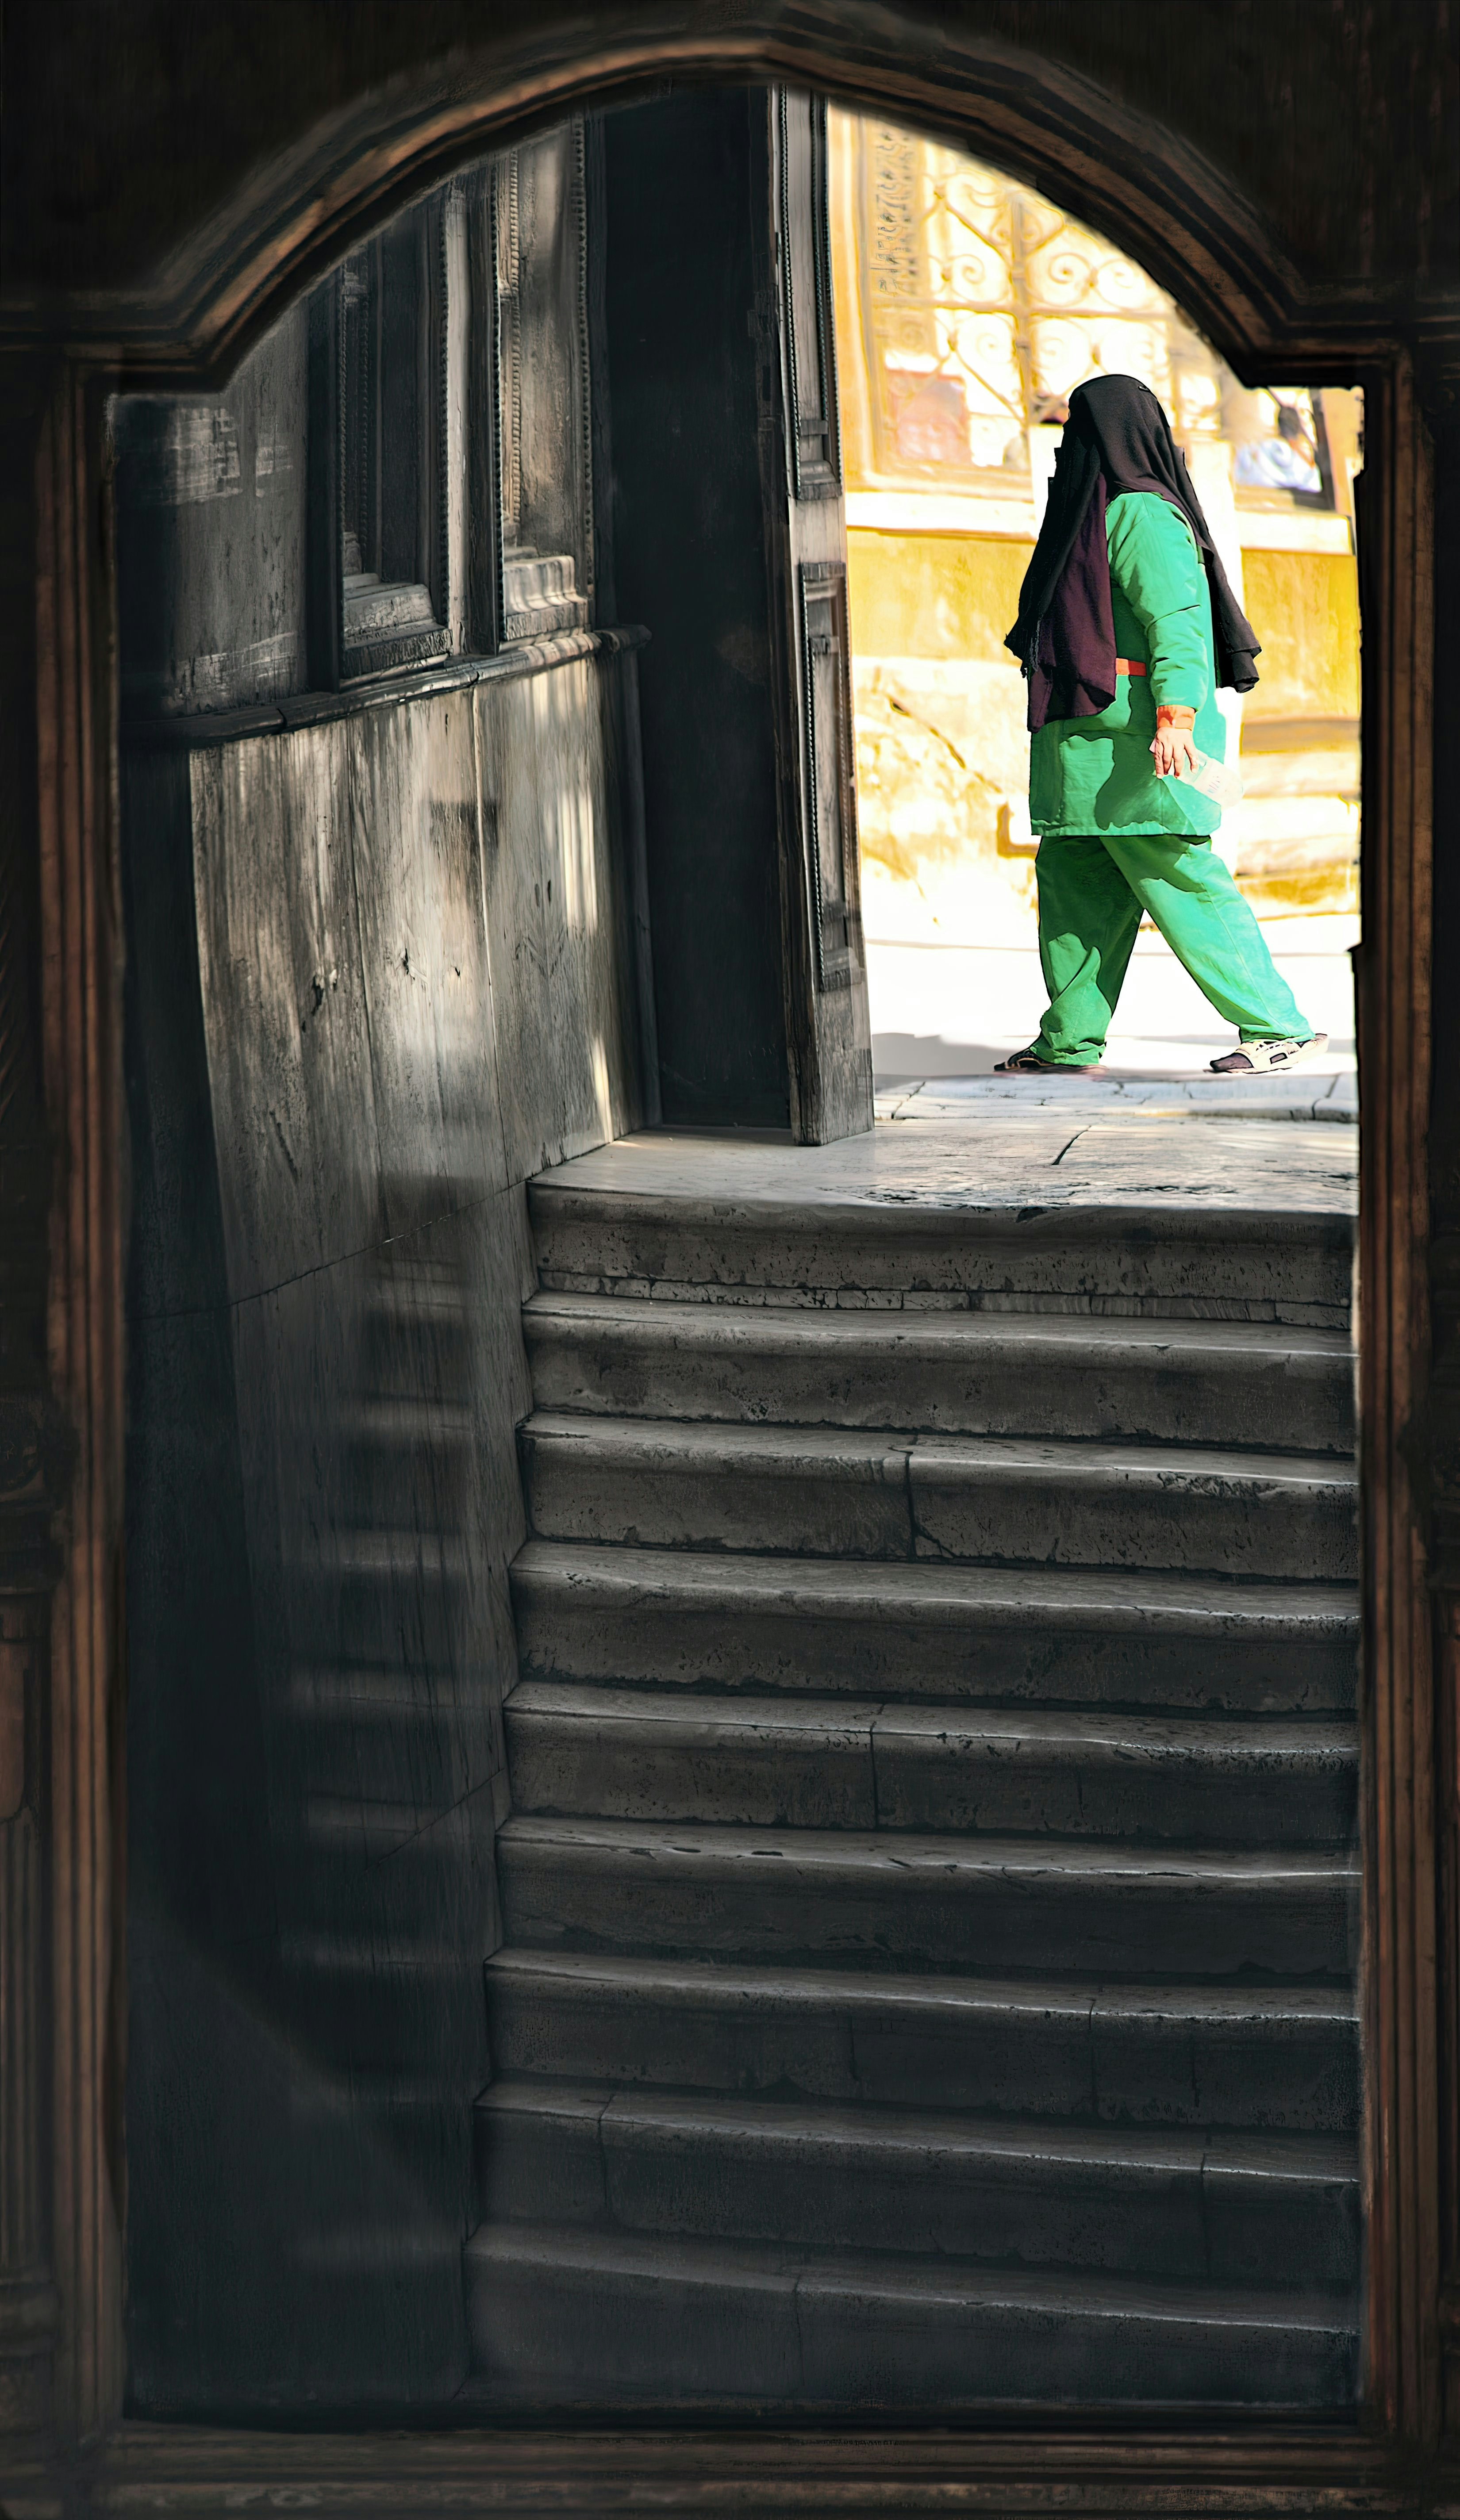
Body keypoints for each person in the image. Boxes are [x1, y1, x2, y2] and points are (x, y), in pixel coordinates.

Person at [997, 374, 1326, 1076]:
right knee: (1072, 890)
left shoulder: (1143, 515)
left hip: (1139, 743)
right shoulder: (1087, 514)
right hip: (1082, 746)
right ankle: (1069, 1041)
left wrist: (1177, 718)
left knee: (1180, 878)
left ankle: (1279, 1026)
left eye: (1079, 429)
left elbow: (1179, 628)